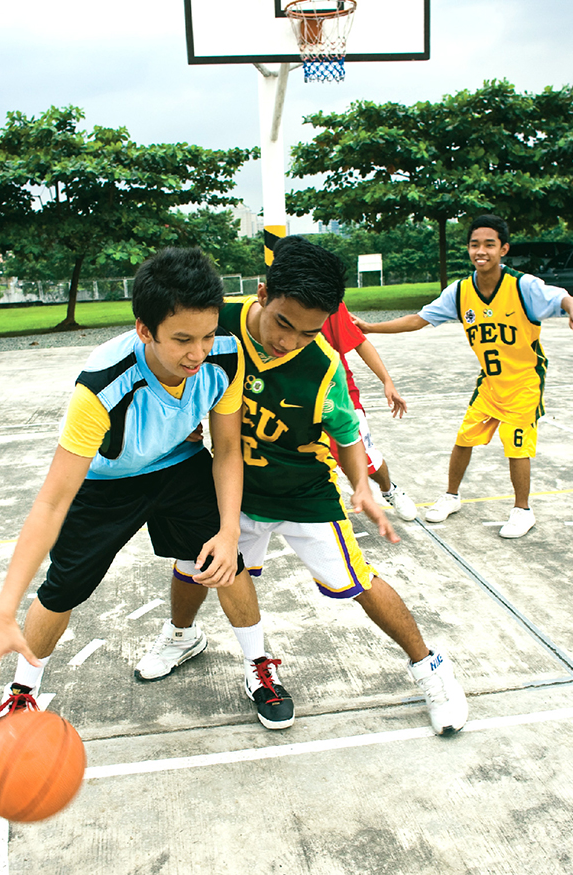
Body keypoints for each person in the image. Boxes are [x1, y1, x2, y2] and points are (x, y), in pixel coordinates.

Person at [141, 235, 468, 736]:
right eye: (283, 323)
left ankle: (431, 668)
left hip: (303, 493)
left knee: (357, 582)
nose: (289, 341)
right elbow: (161, 346)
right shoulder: (213, 325)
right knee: (195, 564)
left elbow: (347, 434)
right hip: (234, 490)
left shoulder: (324, 368)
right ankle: (192, 640)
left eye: (309, 332)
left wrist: (361, 484)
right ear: (262, 292)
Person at [0, 247, 295, 731]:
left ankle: (258, 666)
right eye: (182, 339)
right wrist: (0, 612)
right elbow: (52, 502)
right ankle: (24, 692)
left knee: (227, 561)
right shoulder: (102, 385)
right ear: (145, 329)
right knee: (62, 589)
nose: (197, 353)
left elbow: (226, 450)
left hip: (178, 467)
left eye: (205, 335)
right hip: (106, 482)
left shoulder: (224, 357)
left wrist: (227, 531)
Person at [353, 215, 573, 539]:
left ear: (504, 249)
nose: (481, 250)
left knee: (516, 446)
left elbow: (559, 296)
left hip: (524, 382)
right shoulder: (461, 292)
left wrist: (571, 306)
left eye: (489, 244)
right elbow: (419, 319)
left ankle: (522, 510)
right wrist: (371, 327)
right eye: (475, 244)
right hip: (489, 383)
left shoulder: (522, 286)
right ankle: (451, 496)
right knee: (464, 440)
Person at [321, 301, 418, 521]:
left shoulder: (328, 298)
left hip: (339, 397)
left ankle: (389, 489)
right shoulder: (273, 303)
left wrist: (387, 381)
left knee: (365, 461)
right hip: (298, 399)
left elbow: (359, 341)